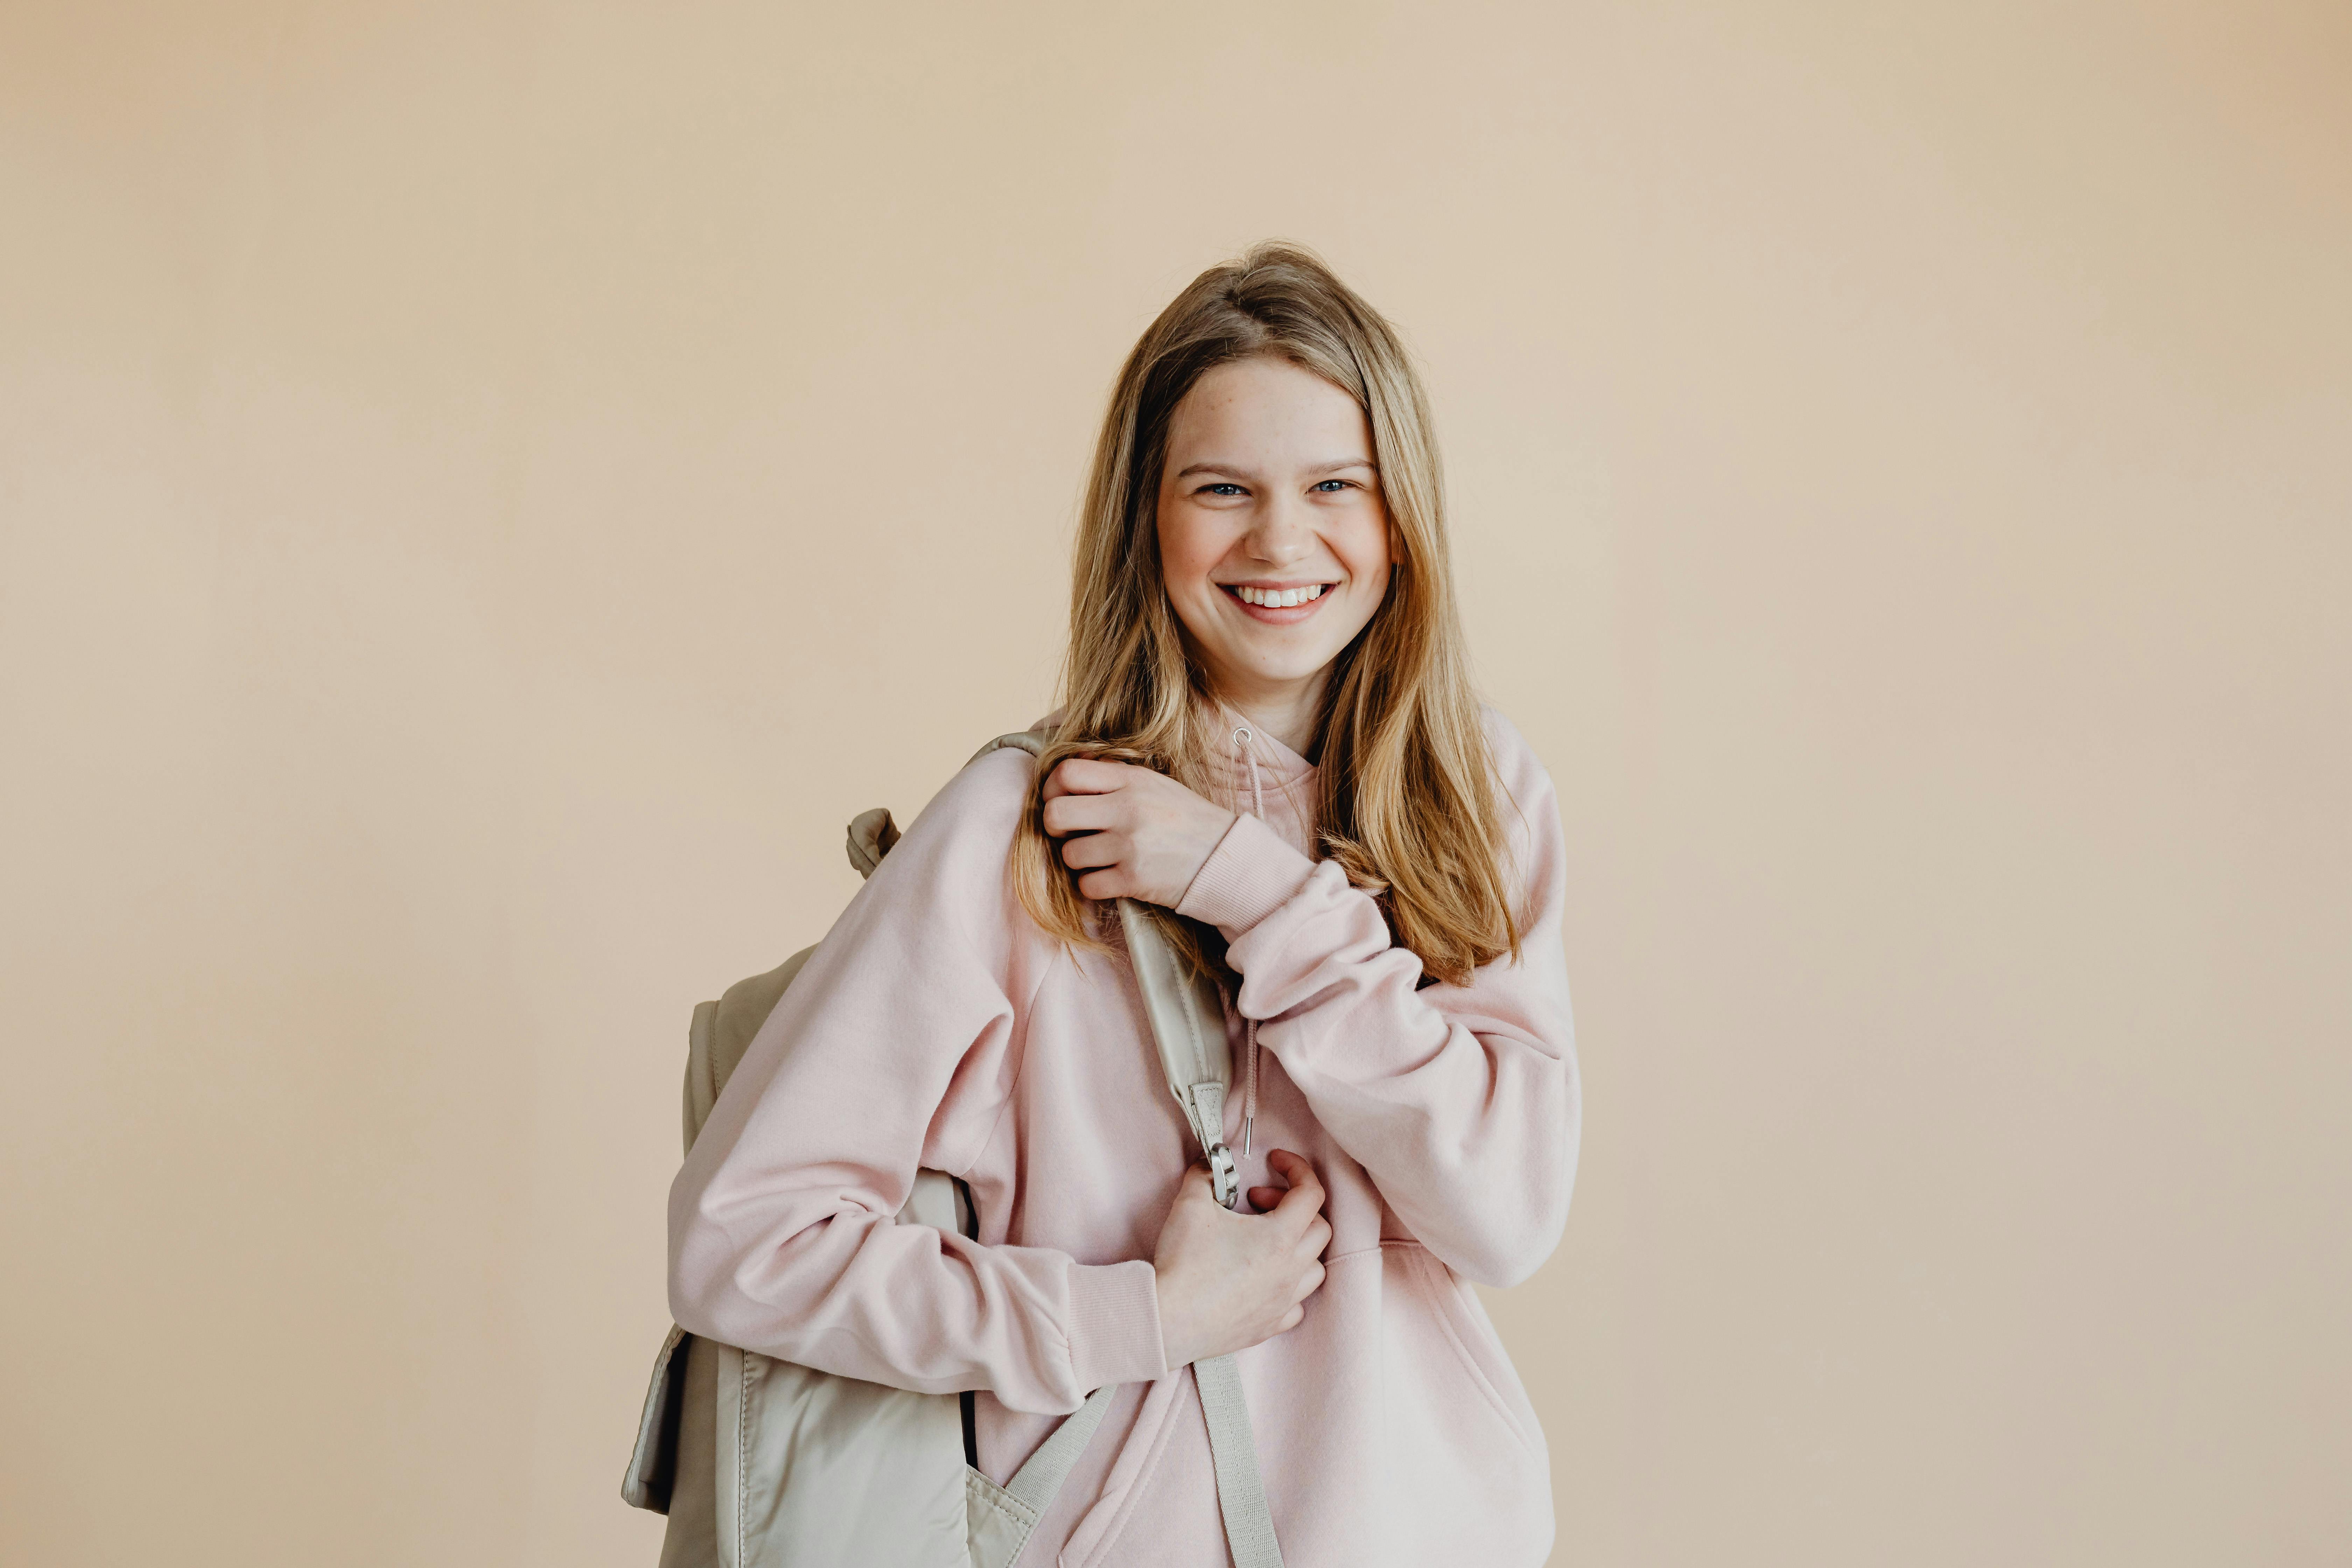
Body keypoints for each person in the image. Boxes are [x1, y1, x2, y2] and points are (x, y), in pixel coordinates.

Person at [668, 242, 1579, 1566]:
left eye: (1337, 484)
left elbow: (1503, 1212)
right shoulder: (1021, 831)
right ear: (1146, 518)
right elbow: (741, 1243)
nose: (1282, 540)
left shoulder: (1477, 795)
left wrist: (1249, 886)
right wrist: (1134, 1316)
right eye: (1223, 489)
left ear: (1403, 517)